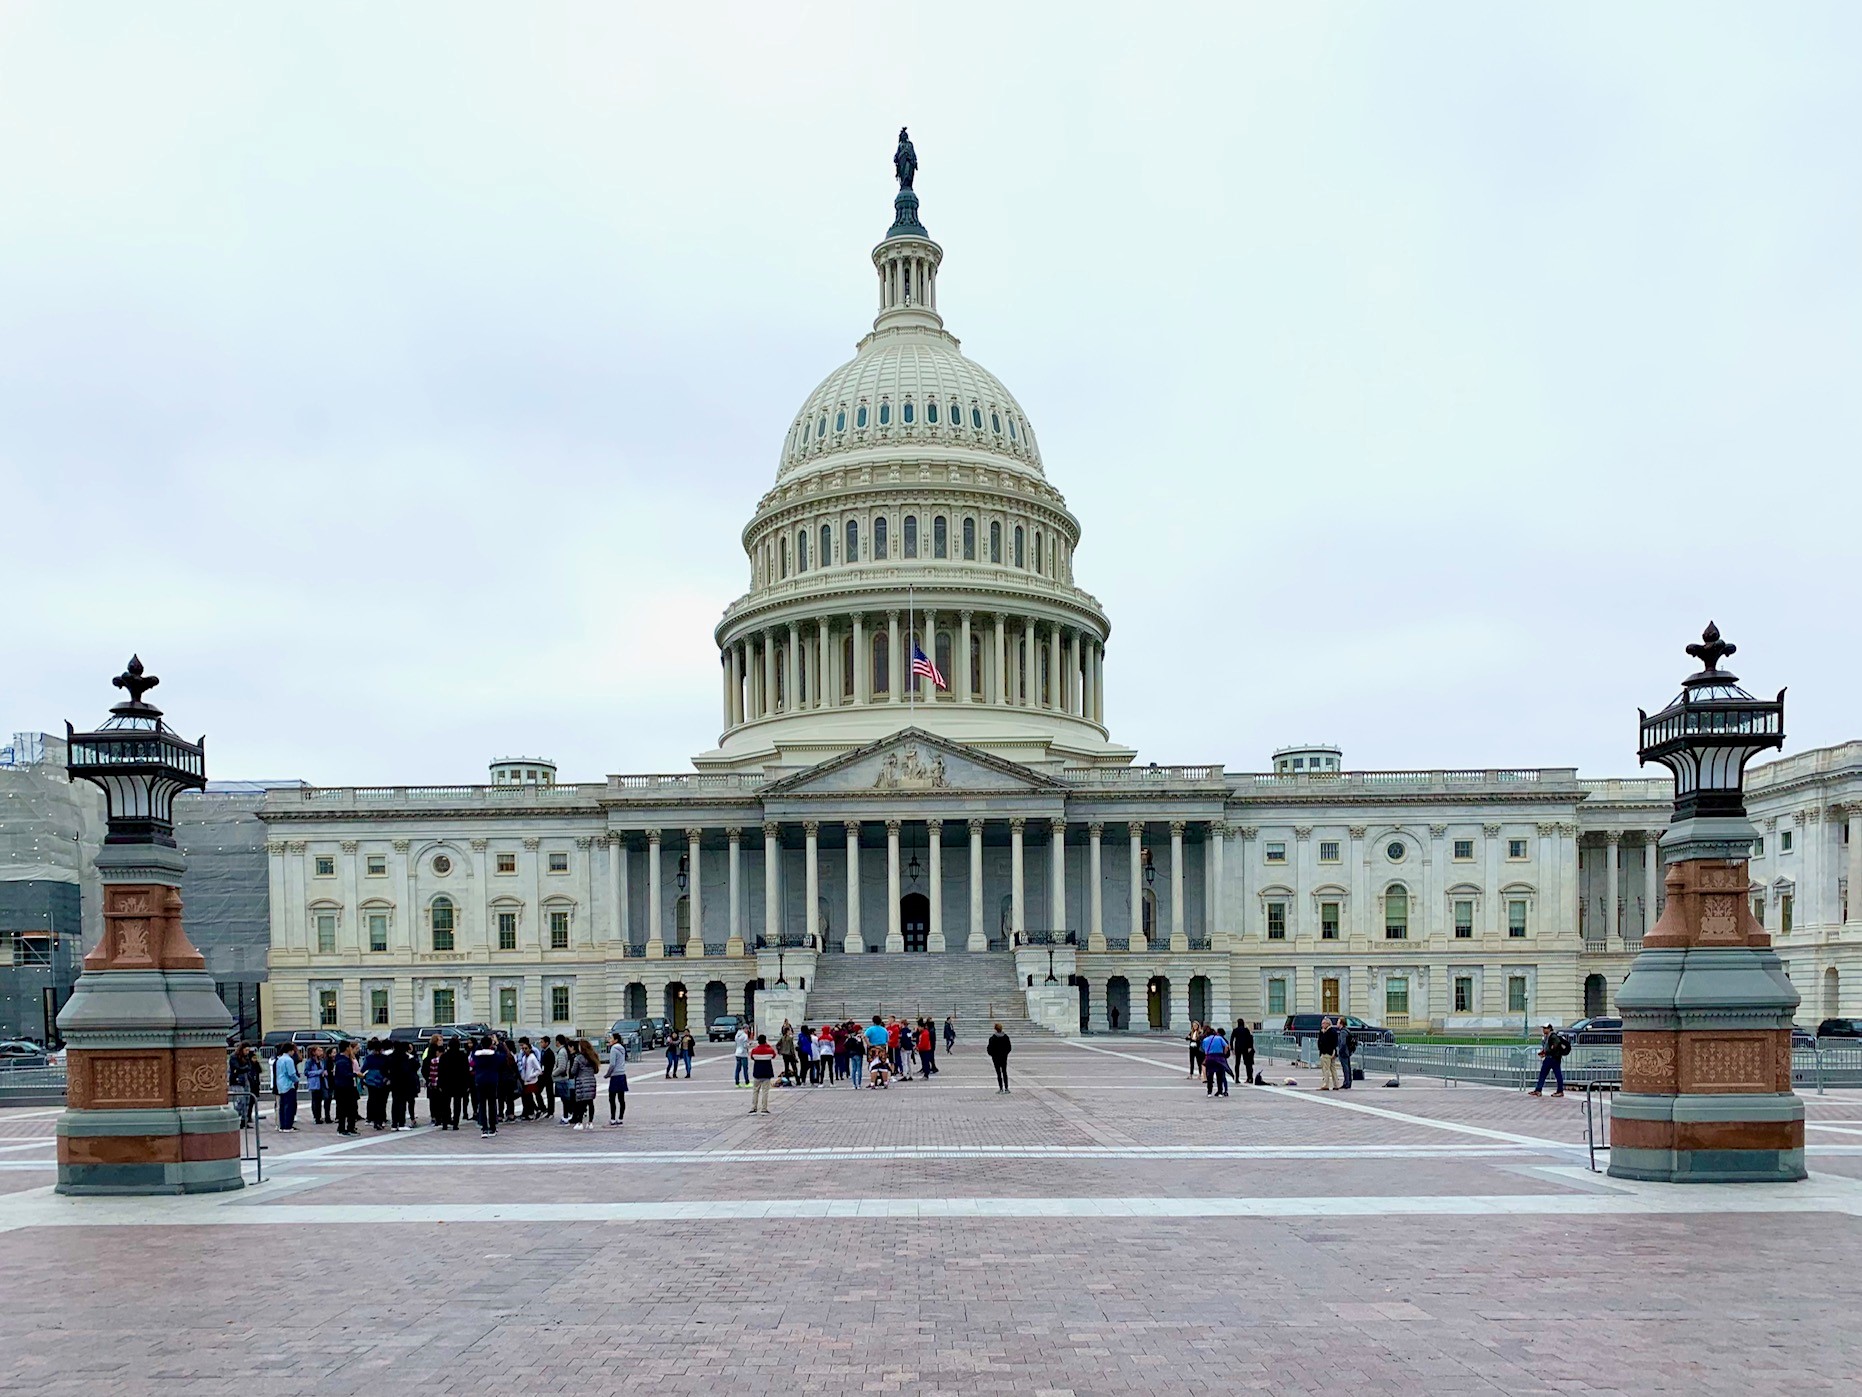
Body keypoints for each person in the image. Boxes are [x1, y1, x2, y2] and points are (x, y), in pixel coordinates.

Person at [438, 1035, 471, 1130]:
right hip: (459, 1083)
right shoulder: (463, 1056)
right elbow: (466, 1071)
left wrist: (440, 1083)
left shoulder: (444, 1056)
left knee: (445, 1104)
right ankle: (455, 1123)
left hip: (446, 1083)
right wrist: (467, 1084)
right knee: (457, 1104)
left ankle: (445, 1123)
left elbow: (440, 1071)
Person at [471, 1035, 502, 1136]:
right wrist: (498, 1043)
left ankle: (484, 1127)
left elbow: (473, 1055)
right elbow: (504, 1057)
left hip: (480, 1080)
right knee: (492, 1104)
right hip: (492, 1080)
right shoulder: (494, 1055)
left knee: (482, 1104)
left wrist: (480, 1045)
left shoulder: (476, 1055)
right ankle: (492, 1127)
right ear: (490, 1044)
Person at [1529, 1023, 1569, 1097]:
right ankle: (1538, 1090)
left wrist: (1548, 1052)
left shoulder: (1553, 1036)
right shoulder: (1547, 1036)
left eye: (1545, 1028)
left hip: (1553, 1058)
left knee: (1556, 1074)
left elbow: (1555, 1045)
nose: (1544, 1030)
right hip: (1550, 1058)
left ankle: (1559, 1091)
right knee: (1543, 1074)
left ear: (1549, 1029)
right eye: (1543, 1028)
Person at [388, 1041, 420, 1130]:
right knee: (402, 1103)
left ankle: (394, 1124)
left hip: (394, 1082)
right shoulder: (406, 1058)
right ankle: (401, 1123)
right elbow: (414, 1067)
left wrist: (389, 1077)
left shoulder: (391, 1057)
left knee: (395, 1103)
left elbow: (385, 1068)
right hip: (405, 1083)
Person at [331, 1041, 361, 1136]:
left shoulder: (343, 1059)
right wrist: (356, 1074)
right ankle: (343, 1129)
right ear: (347, 1048)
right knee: (345, 1109)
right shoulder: (342, 1061)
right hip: (344, 1088)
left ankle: (350, 1128)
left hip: (346, 1087)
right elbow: (344, 1074)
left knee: (350, 1108)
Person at [361, 1039, 392, 1129]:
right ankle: (380, 1119)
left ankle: (375, 1120)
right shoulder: (385, 1058)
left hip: (372, 1081)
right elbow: (389, 1069)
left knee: (374, 1100)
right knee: (381, 1101)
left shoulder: (369, 1058)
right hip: (382, 1081)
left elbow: (363, 1069)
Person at [228, 1045, 259, 1126]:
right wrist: (245, 1068)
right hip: (237, 1080)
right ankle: (235, 1115)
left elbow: (249, 1066)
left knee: (247, 1100)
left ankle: (244, 1120)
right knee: (241, 1099)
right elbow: (237, 1068)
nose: (247, 1052)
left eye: (248, 1050)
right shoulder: (234, 1057)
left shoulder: (247, 1057)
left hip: (245, 1079)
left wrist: (245, 1067)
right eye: (246, 1050)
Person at [273, 1044, 301, 1130]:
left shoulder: (279, 1059)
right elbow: (291, 1074)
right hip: (288, 1085)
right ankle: (288, 1126)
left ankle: (282, 1126)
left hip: (280, 1085)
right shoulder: (289, 1060)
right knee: (290, 1106)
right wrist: (297, 1080)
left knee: (282, 1106)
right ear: (290, 1050)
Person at [748, 1032, 777, 1114]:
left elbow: (752, 1057)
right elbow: (774, 1055)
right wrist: (768, 1046)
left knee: (755, 1091)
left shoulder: (754, 1050)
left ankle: (753, 1108)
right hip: (767, 1073)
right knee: (765, 1091)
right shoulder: (769, 1050)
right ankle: (764, 1108)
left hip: (757, 1072)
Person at [606, 1032, 629, 1125]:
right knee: (621, 1098)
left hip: (615, 1075)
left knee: (612, 1098)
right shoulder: (622, 1048)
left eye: (611, 1038)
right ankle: (620, 1118)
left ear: (616, 1040)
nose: (609, 1040)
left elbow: (612, 1064)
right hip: (622, 1074)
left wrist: (608, 1074)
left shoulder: (613, 1049)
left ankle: (612, 1118)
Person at [1200, 1025, 1229, 1097]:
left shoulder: (1205, 1040)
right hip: (1219, 1057)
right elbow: (1226, 1046)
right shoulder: (1219, 1038)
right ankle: (1220, 1092)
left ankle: (1209, 1091)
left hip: (1209, 1057)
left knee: (1210, 1075)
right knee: (1219, 1075)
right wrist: (1224, 1053)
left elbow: (1203, 1049)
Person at [303, 1044, 328, 1125]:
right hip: (314, 1083)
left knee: (323, 1099)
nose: (321, 1052)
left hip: (322, 1082)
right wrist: (319, 1072)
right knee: (315, 1101)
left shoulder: (322, 1061)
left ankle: (321, 1116)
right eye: (319, 1050)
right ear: (314, 1052)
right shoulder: (310, 1061)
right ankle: (316, 1117)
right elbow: (306, 1072)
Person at [518, 1037, 542, 1119]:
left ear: (530, 1049)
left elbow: (539, 1069)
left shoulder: (532, 1057)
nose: (524, 1050)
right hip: (525, 1079)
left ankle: (536, 1110)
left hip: (531, 1080)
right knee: (528, 1097)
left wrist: (532, 1075)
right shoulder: (524, 1058)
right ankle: (535, 1110)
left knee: (530, 1096)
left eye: (526, 1048)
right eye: (523, 1048)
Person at [986, 1023, 1012, 1093]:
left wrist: (992, 1055)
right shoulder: (1006, 1037)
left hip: (996, 1058)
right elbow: (1009, 1047)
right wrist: (1005, 1054)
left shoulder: (993, 1038)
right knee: (1004, 1072)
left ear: (995, 1029)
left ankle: (1001, 1088)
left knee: (998, 1073)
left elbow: (989, 1048)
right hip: (1003, 1057)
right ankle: (1006, 1088)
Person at [1316, 1017, 1340, 1090]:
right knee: (1333, 1069)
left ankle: (1326, 1084)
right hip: (1331, 1052)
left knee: (1326, 1069)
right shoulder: (1329, 1031)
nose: (1322, 1025)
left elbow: (1325, 1042)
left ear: (1328, 1023)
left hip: (1327, 1052)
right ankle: (1336, 1084)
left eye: (1323, 1023)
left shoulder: (1330, 1032)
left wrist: (1323, 1034)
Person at [1233, 1019, 1255, 1087]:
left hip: (1238, 1048)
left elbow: (1231, 1039)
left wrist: (1231, 1048)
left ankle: (1237, 1078)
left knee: (1237, 1063)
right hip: (1245, 1048)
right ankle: (1249, 1077)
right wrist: (1250, 1047)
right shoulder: (1246, 1030)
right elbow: (1249, 1038)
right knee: (1248, 1063)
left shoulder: (1235, 1030)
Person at [1336, 1020, 1356, 1091]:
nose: (1336, 1024)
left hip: (1344, 1052)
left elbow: (1343, 1043)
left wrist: (1340, 1051)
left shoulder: (1343, 1032)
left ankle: (1347, 1083)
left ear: (1341, 1023)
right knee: (1347, 1067)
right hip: (1347, 1051)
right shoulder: (1347, 1030)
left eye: (1338, 1022)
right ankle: (1348, 1082)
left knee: (1346, 1068)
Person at [733, 1022, 751, 1087]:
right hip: (743, 1053)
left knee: (738, 1069)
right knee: (745, 1069)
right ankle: (747, 1082)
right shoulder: (745, 1036)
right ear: (745, 1029)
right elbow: (745, 1045)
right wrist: (749, 1044)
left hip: (737, 1052)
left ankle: (737, 1083)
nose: (747, 1031)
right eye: (747, 1029)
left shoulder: (737, 1035)